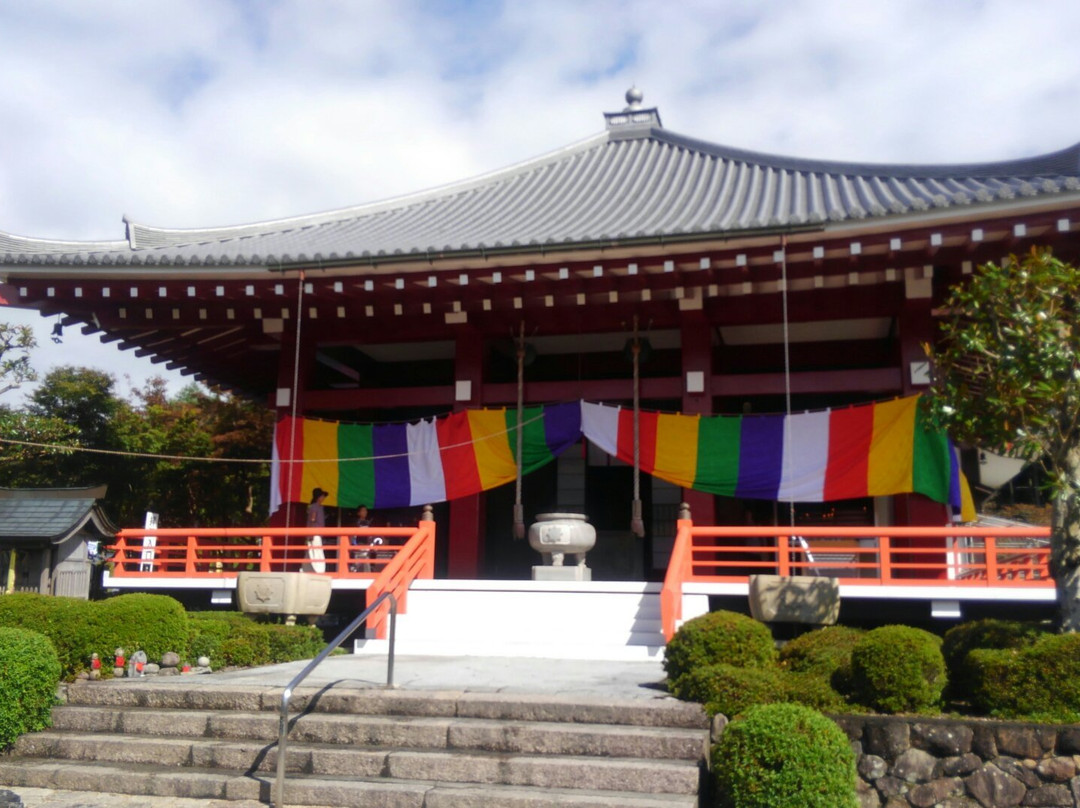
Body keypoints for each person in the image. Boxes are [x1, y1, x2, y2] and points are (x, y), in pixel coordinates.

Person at [304, 488, 328, 573]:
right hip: (315, 532)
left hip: (314, 532)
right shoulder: (314, 506)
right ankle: (319, 569)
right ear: (318, 497)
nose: (323, 498)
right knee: (316, 550)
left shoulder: (316, 506)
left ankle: (310, 569)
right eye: (322, 496)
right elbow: (313, 519)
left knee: (312, 551)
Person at [350, 504, 372, 572]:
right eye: (363, 511)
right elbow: (353, 535)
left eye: (366, 510)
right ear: (358, 513)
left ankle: (367, 576)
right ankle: (353, 574)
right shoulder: (355, 522)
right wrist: (354, 544)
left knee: (366, 561)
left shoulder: (368, 522)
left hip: (366, 544)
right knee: (357, 562)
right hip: (358, 544)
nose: (365, 512)